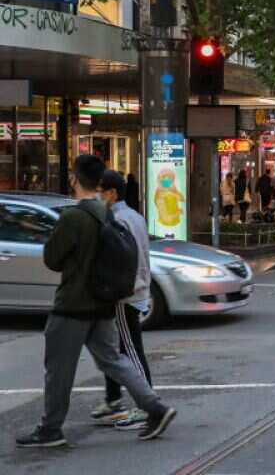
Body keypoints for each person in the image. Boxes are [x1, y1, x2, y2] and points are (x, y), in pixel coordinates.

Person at [16, 155, 177, 448]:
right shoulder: (109, 213)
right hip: (104, 303)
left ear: (76, 179)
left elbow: (52, 259)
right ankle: (155, 407)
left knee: (58, 370)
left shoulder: (74, 216)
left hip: (73, 304)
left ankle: (51, 428)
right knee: (113, 360)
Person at [92, 171, 158, 430]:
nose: (98, 196)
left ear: (111, 193)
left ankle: (147, 404)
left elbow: (123, 259)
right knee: (113, 349)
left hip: (125, 294)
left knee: (130, 349)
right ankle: (113, 398)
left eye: (101, 191)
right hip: (133, 289)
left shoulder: (118, 219)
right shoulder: (135, 217)